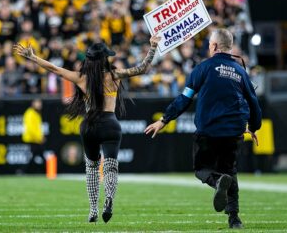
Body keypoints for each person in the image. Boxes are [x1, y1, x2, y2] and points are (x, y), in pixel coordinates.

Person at [14, 35, 161, 223]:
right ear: (104, 59)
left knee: (91, 168)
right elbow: (143, 68)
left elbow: (54, 69)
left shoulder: (81, 77)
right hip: (110, 124)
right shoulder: (114, 74)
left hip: (89, 125)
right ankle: (109, 199)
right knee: (110, 167)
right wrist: (153, 47)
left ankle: (93, 210)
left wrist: (32, 57)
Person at [145, 28, 262, 229]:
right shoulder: (241, 72)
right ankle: (234, 219)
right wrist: (253, 126)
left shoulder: (202, 68)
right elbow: (254, 103)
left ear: (214, 46)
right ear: (230, 47)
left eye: (210, 44)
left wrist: (164, 120)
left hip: (208, 131)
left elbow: (185, 99)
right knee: (231, 171)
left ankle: (217, 182)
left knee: (201, 169)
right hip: (234, 132)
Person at [22, 98, 45, 172]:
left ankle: (25, 170)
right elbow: (31, 128)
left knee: (36, 155)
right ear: (33, 104)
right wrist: (39, 138)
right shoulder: (30, 113)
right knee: (34, 155)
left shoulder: (36, 113)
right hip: (32, 139)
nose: (40, 104)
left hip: (35, 139)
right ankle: (23, 170)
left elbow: (37, 128)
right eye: (38, 102)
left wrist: (40, 137)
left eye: (40, 103)